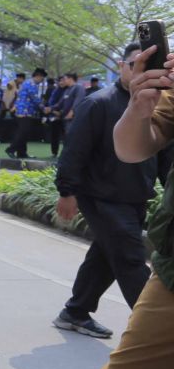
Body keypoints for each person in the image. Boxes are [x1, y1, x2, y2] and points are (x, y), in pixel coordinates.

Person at [0, 42, 174, 369]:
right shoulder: (107, 102)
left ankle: (77, 308)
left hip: (133, 208)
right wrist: (141, 109)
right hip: (148, 244)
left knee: (111, 258)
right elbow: (133, 145)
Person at [50, 44, 166, 338]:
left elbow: (166, 156)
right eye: (134, 63)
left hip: (135, 197)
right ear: (121, 65)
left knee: (105, 255)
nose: (139, 70)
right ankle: (153, 332)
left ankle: (75, 311)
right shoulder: (98, 103)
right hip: (101, 197)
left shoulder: (157, 104)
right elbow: (74, 151)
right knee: (129, 257)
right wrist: (67, 192)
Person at [7, 68, 45, 158]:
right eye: (42, 78)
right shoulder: (31, 84)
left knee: (24, 132)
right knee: (23, 132)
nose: (42, 80)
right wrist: (43, 107)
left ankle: (22, 153)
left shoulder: (26, 83)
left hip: (22, 110)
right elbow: (34, 98)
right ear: (38, 76)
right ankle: (11, 149)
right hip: (25, 111)